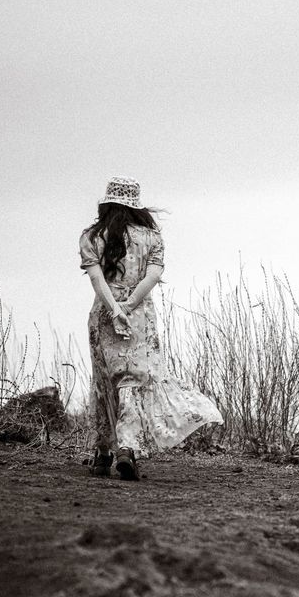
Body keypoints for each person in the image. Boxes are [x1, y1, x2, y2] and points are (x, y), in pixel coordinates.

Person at [79, 177, 222, 479]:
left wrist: (115, 309)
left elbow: (96, 280)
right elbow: (152, 277)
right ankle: (127, 448)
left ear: (107, 203)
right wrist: (129, 307)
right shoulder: (152, 238)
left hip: (104, 316)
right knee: (132, 380)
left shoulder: (92, 236)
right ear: (136, 205)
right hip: (140, 317)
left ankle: (103, 454)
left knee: (105, 382)